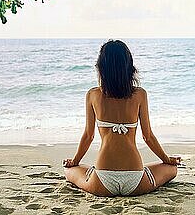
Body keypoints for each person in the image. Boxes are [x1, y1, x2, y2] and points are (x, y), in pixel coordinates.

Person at [63, 39, 181, 196]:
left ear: (101, 68)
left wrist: (75, 161)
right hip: (136, 179)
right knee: (172, 169)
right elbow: (148, 137)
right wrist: (167, 159)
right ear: (129, 67)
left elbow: (88, 136)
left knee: (69, 170)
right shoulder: (140, 95)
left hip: (102, 180)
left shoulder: (93, 95)